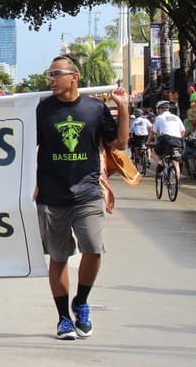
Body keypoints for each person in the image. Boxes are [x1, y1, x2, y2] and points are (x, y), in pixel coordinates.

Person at [35, 54, 129, 340]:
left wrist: (123, 109)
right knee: (59, 257)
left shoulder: (95, 109)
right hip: (51, 194)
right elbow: (22, 148)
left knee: (93, 248)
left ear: (73, 77)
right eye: (49, 74)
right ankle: (63, 318)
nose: (50, 79)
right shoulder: (41, 110)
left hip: (87, 192)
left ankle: (82, 302)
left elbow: (120, 143)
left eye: (56, 73)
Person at [152, 100, 186, 178]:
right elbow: (183, 131)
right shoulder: (176, 117)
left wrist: (150, 141)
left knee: (154, 153)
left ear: (160, 109)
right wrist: (179, 138)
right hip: (177, 141)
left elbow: (153, 131)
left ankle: (160, 164)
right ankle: (177, 183)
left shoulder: (159, 117)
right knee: (175, 161)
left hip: (165, 140)